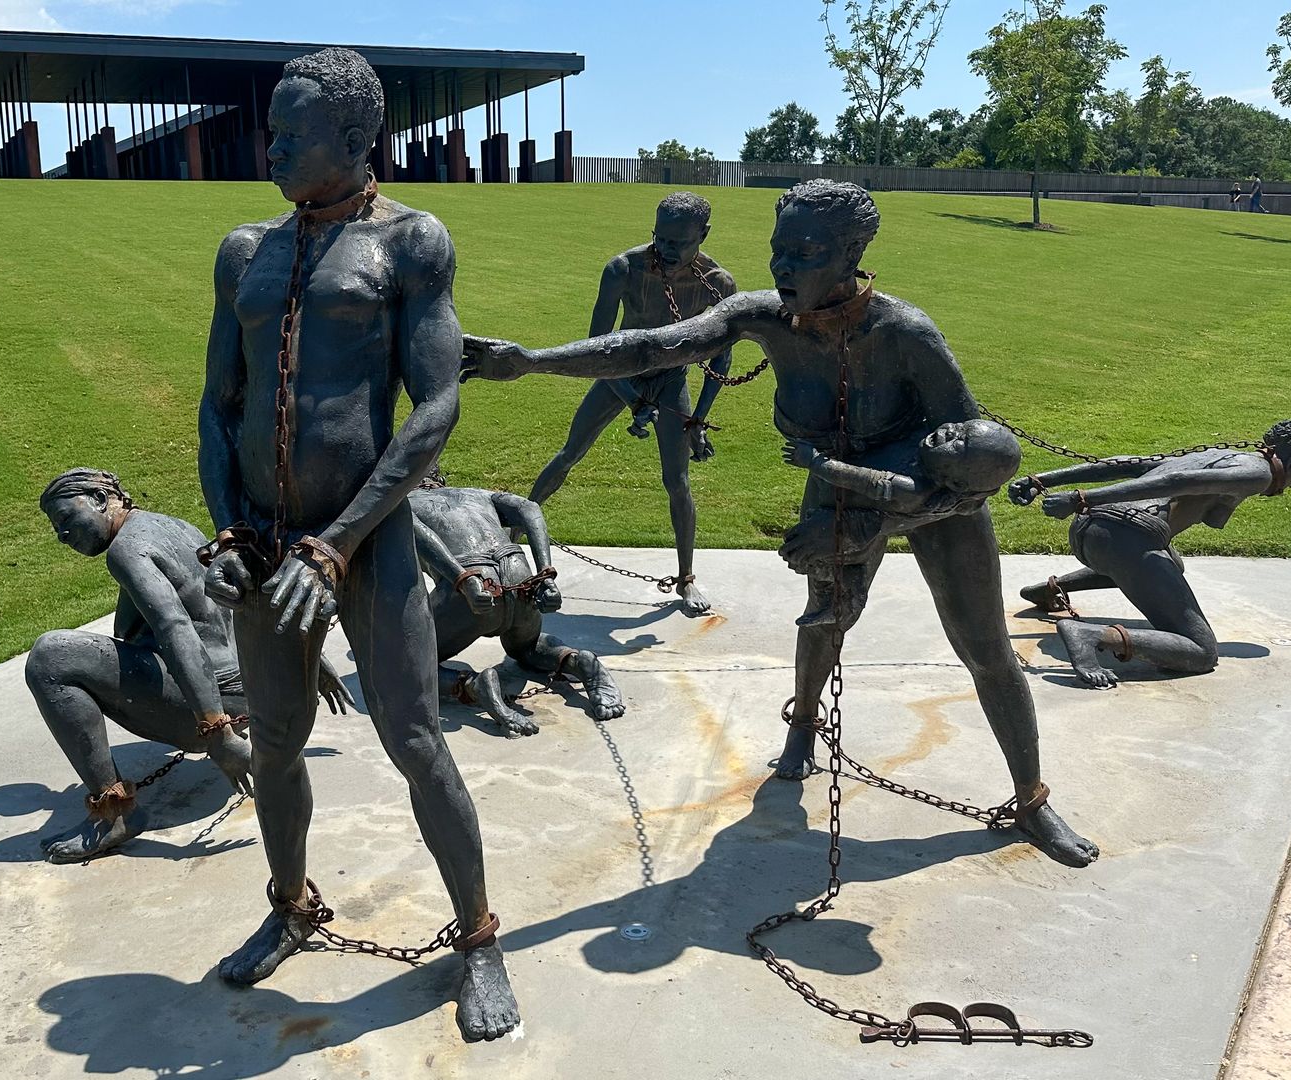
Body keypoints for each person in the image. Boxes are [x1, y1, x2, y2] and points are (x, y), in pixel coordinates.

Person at [463, 179, 1099, 867]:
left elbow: (975, 466)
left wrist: (875, 526)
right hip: (837, 484)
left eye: (805, 253)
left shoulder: (904, 332)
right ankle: (803, 724)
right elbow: (651, 348)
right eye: (778, 250)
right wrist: (531, 362)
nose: (783, 267)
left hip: (933, 494)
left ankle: (1031, 798)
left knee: (985, 648)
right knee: (823, 621)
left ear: (852, 255)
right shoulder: (762, 316)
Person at [196, 48, 520, 1040]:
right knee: (277, 742)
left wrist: (338, 544)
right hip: (265, 544)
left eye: (291, 134)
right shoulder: (244, 251)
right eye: (271, 132)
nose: (270, 149)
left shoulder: (412, 243)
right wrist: (230, 528)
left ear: (352, 138)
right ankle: (290, 904)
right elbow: (218, 405)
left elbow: (436, 406)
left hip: (368, 540)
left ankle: (478, 938)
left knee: (415, 740)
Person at [24, 468, 349, 862]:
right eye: (56, 527)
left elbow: (176, 629)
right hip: (247, 698)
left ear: (99, 499)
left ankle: (113, 813)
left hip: (211, 712)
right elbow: (243, 593)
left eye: (65, 519)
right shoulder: (174, 527)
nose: (62, 535)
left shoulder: (126, 551)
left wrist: (217, 734)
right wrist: (308, 658)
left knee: (51, 656)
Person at [525, 192, 737, 616]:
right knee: (570, 453)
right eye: (661, 238)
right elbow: (595, 349)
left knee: (677, 481)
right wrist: (632, 398)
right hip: (618, 373)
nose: (667, 250)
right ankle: (512, 536)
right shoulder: (623, 269)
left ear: (704, 235)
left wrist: (698, 419)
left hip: (671, 379)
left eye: (679, 242)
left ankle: (686, 578)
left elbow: (722, 355)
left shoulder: (718, 283)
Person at [1010, 418, 1291, 688]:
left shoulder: (1228, 455)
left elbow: (1132, 463)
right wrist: (1080, 498)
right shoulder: (1258, 474)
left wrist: (1044, 480)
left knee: (1171, 564)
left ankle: (1051, 590)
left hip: (1094, 532)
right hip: (1121, 537)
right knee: (1201, 651)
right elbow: (1175, 481)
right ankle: (1087, 635)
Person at [411, 475, 624, 733]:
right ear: (441, 478)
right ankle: (576, 661)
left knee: (403, 661)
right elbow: (529, 508)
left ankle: (472, 686)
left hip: (471, 582)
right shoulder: (475, 494)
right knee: (527, 647)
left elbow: (413, 532)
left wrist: (462, 579)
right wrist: (544, 574)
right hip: (518, 573)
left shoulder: (401, 504)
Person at [780, 419, 1023, 627]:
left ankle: (850, 586)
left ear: (956, 483)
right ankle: (839, 587)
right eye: (960, 427)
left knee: (802, 557)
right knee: (802, 554)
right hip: (831, 505)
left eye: (959, 444)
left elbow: (861, 479)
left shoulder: (912, 490)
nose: (950, 432)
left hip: (852, 527)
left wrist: (815, 461)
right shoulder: (916, 441)